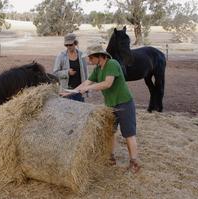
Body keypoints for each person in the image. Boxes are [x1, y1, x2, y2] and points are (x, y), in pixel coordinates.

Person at [61, 44, 140, 173]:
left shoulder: (112, 64)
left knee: (129, 134)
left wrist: (87, 88)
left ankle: (134, 162)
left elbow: (107, 84)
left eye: (91, 58)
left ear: (100, 56)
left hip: (124, 103)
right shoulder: (98, 69)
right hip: (110, 105)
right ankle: (110, 158)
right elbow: (87, 82)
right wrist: (71, 92)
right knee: (109, 131)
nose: (89, 61)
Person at [53, 33, 88, 102]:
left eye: (70, 44)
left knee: (79, 111)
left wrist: (86, 88)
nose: (68, 46)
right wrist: (67, 72)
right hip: (66, 91)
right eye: (66, 45)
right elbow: (55, 73)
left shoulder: (81, 55)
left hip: (79, 91)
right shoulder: (61, 56)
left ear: (75, 43)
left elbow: (85, 72)